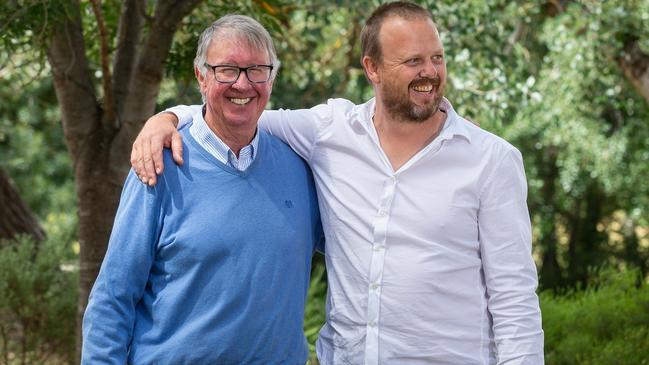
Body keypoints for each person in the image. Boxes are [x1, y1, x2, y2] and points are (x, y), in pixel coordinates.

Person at [132, 2, 544, 364]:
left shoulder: (491, 160)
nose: (430, 73)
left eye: (437, 58)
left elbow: (514, 299)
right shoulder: (329, 131)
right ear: (373, 68)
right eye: (413, 61)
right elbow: (233, 108)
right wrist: (165, 119)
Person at [82, 15, 322, 365]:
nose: (243, 84)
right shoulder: (158, 167)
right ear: (201, 77)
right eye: (226, 70)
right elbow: (113, 298)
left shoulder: (299, 168)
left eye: (257, 69)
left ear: (271, 78)